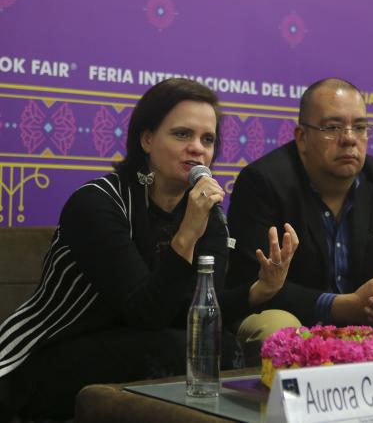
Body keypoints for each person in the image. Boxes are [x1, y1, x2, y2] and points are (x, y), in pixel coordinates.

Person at [0, 78, 298, 422]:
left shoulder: (210, 217)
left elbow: (195, 311)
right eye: (182, 134)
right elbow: (146, 310)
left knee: (220, 346)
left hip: (136, 342)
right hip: (48, 353)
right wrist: (188, 232)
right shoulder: (97, 203)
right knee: (179, 350)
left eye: (207, 139)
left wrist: (260, 291)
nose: (197, 148)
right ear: (146, 139)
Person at [226, 78, 373, 365]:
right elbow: (253, 284)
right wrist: (340, 306)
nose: (349, 138)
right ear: (302, 137)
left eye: (360, 127)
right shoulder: (263, 182)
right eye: (332, 128)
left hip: (367, 323)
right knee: (276, 328)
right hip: (299, 321)